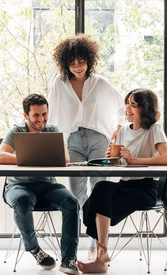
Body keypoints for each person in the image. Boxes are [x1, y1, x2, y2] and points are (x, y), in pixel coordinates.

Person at [78, 88, 167, 273]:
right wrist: (111, 159)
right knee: (101, 188)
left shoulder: (154, 129)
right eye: (127, 102)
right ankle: (102, 254)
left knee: (94, 210)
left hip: (146, 187)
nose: (127, 107)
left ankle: (100, 260)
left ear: (145, 109)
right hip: (125, 183)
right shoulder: (122, 131)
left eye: (133, 104)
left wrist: (133, 161)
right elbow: (121, 162)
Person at [48, 33, 125, 261]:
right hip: (71, 141)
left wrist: (118, 130)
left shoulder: (100, 83)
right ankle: (84, 237)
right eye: (72, 63)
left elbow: (122, 107)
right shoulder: (59, 84)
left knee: (100, 189)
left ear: (89, 60)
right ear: (65, 64)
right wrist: (55, 143)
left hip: (99, 140)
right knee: (75, 194)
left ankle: (97, 243)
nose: (77, 67)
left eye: (81, 62)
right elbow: (51, 115)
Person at [0, 93, 80, 275]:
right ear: (26, 115)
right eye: (36, 115)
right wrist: (28, 158)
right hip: (19, 186)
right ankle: (35, 250)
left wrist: (33, 158)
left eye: (44, 114)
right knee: (22, 201)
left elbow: (65, 158)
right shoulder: (16, 131)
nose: (41, 119)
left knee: (71, 203)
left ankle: (69, 259)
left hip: (48, 185)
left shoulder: (52, 130)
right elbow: (1, 157)